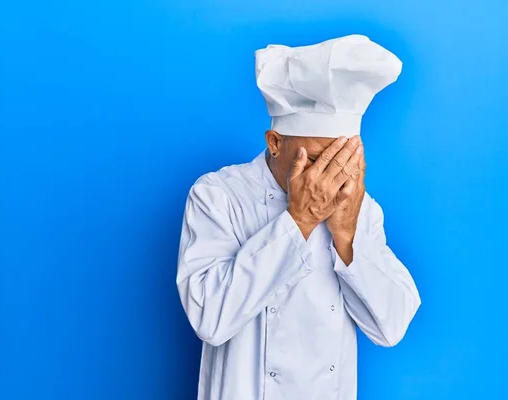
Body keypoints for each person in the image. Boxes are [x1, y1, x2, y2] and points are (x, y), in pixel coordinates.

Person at [176, 34, 421, 400]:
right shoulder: (217, 196)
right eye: (322, 157)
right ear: (275, 142)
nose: (333, 174)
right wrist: (299, 221)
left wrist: (347, 238)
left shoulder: (360, 208)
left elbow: (391, 327)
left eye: (344, 158)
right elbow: (210, 318)